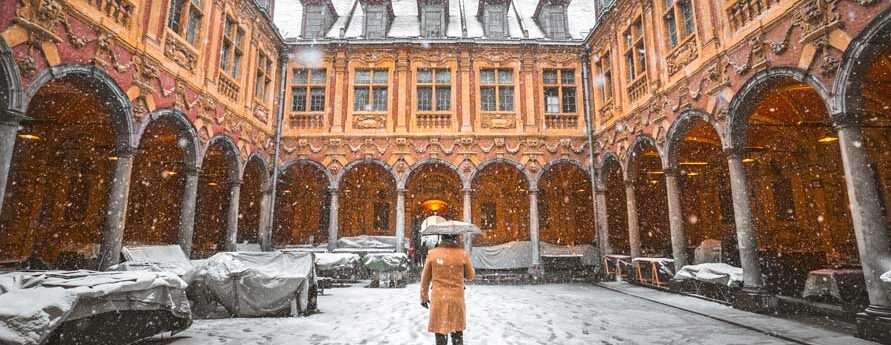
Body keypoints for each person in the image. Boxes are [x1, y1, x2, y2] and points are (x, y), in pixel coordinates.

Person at [420, 234, 476, 345]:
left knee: (440, 334)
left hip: (439, 299)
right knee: (457, 335)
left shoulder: (433, 254)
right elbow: (470, 276)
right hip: (456, 299)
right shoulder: (462, 254)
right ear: (455, 238)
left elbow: (425, 279)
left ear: (442, 238)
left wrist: (424, 297)